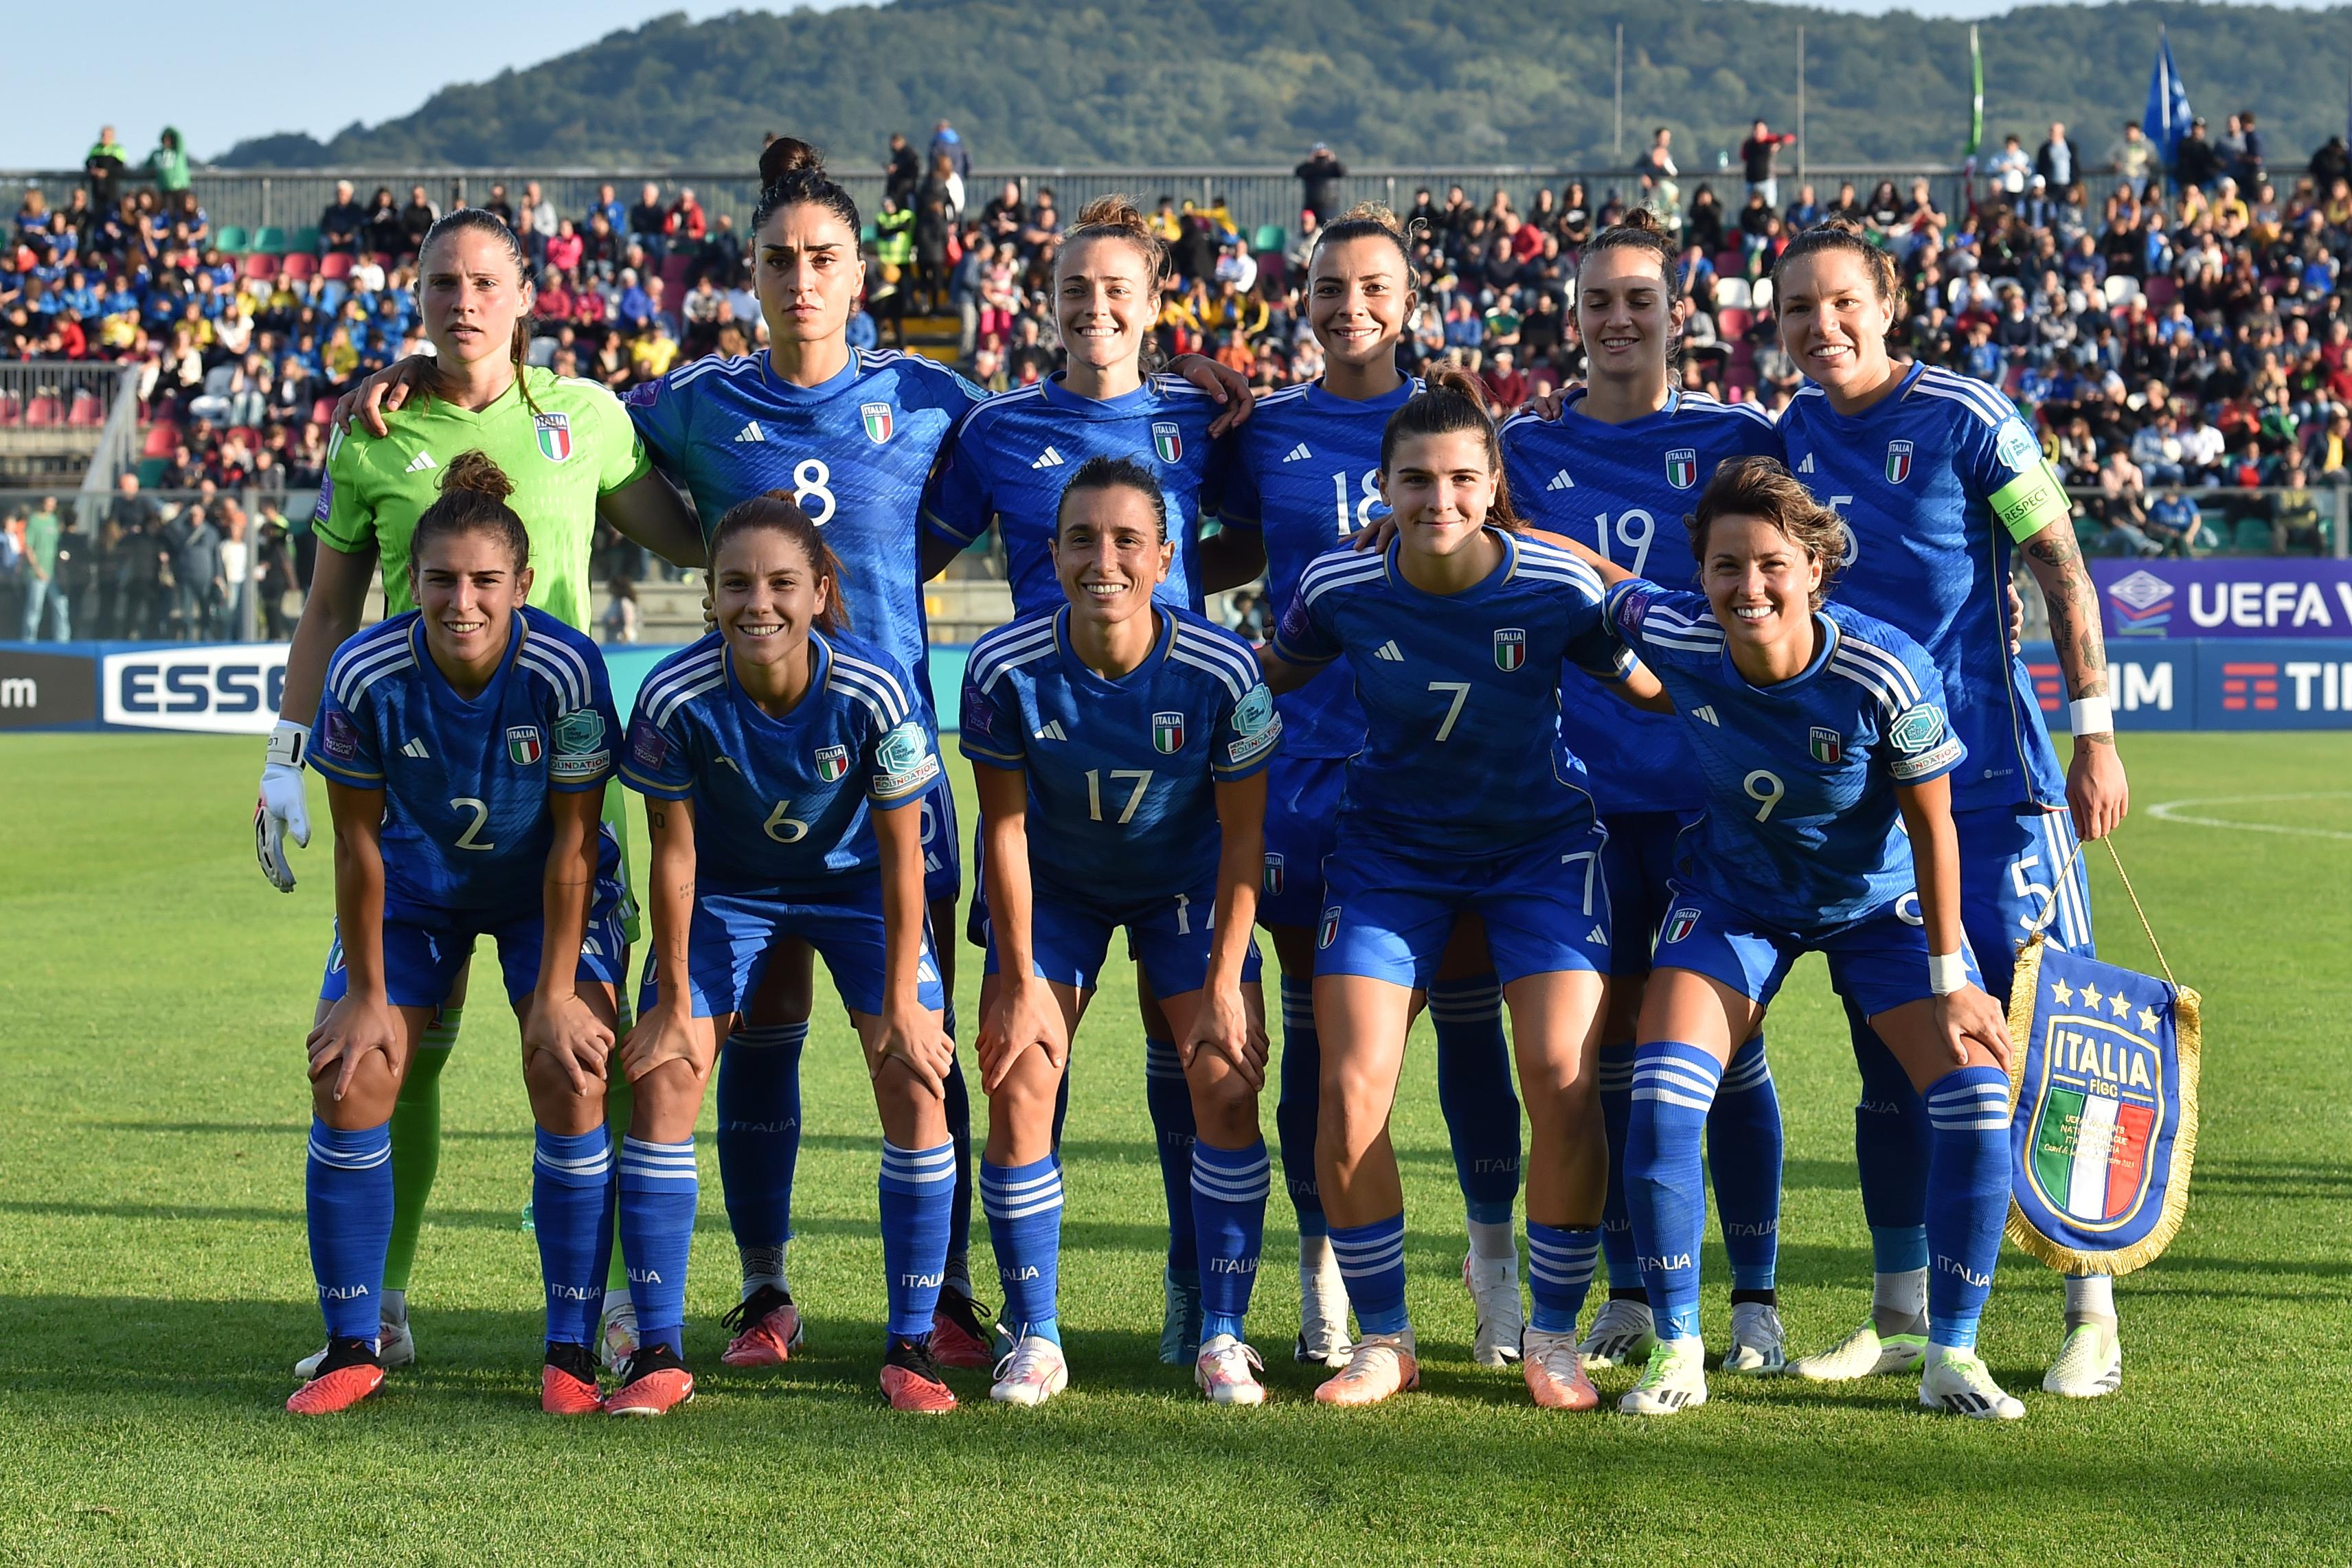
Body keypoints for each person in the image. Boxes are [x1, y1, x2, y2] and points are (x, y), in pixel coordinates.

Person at [279, 207, 703, 1379]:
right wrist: (284, 750)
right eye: (440, 283)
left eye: (483, 282)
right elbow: (328, 610)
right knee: (393, 1042)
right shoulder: (374, 430)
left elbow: (690, 530)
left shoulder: (586, 417)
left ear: (527, 296)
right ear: (416, 299)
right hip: (412, 802)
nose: (461, 301)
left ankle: (613, 1294)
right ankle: (387, 1293)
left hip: (555, 796)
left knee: (582, 1044)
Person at [1259, 368, 1665, 1410]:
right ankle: (1385, 1339)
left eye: (1459, 480)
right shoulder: (1340, 587)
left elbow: (1655, 683)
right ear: (1383, 488)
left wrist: (1609, 571)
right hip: (1390, 852)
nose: (1438, 500)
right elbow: (1266, 674)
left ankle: (1555, 1335)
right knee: (1350, 1092)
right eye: (1415, 481)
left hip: (1539, 850)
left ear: (1493, 487)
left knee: (1562, 1078)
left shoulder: (1554, 584)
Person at [1771, 223, 2130, 1398]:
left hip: (1995, 789)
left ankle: (2088, 1308)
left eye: (1837, 303)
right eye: (1793, 309)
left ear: (1885, 301)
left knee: (2046, 1045)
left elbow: (2064, 571)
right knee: (1896, 1058)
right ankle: (1897, 1309)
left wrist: (2092, 735)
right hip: (1869, 808)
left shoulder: (1969, 417)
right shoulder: (1788, 437)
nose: (1818, 326)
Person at [1596, 456, 2024, 1420]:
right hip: (1736, 900)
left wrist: (1956, 977)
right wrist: (1487, 517)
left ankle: (1952, 1352)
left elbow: (1933, 825)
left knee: (1978, 1100)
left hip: (1878, 910)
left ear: (1814, 568)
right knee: (1662, 1095)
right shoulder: (1675, 630)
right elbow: (1601, 584)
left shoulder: (1885, 667)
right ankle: (1678, 1350)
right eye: (1726, 565)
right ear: (1699, 574)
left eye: (1771, 564)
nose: (1749, 586)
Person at [921, 194, 1265, 1366]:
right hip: (1050, 766)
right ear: (1048, 301)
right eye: (1075, 288)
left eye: (1116, 287)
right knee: (1022, 1054)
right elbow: (905, 547)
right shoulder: (995, 428)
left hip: (1176, 780)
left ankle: (1205, 1309)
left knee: (1206, 1062)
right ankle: (1035, 1328)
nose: (1093, 306)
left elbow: (1262, 533)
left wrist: (1156, 588)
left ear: (1152, 302)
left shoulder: (1204, 415)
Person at [1203, 205, 1528, 1371]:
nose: (1349, 308)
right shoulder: (1264, 428)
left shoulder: (1455, 428)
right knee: (1318, 1040)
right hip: (1302, 764)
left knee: (1466, 1026)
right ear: (1303, 302)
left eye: (1371, 288)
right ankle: (1323, 1269)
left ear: (1406, 299)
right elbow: (1232, 550)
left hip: (1442, 767)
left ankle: (1493, 1272)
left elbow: (1519, 556)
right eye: (1328, 289)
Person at [1499, 207, 1789, 1373]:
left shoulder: (1737, 437)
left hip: (1713, 799)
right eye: (1596, 301)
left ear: (1678, 314)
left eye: (1638, 299)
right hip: (1577, 802)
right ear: (1571, 318)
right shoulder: (1521, 449)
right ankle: (1628, 1286)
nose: (1617, 318)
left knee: (1731, 1050)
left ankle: (1756, 1300)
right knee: (1611, 1048)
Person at [286, 453, 629, 1416]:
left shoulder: (564, 667)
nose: (461, 600)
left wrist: (558, 994)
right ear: (414, 579)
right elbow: (357, 844)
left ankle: (571, 1346)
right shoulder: (364, 669)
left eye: (485, 581)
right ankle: (357, 1337)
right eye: (441, 579)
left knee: (573, 1065)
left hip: (543, 891)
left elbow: (573, 842)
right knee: (350, 1069)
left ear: (522, 584)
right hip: (414, 888)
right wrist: (362, 993)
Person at [615, 493, 955, 1415]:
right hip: (731, 888)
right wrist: (674, 995)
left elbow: (901, 858)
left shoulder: (872, 688)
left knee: (915, 1074)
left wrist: (905, 1008)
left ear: (819, 593)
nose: (756, 603)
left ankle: (911, 1345)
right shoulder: (674, 694)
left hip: (856, 888)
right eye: (735, 584)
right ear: (709, 597)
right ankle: (663, 1345)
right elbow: (674, 857)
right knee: (665, 1072)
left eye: (779, 583)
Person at [962, 457, 1278, 1407]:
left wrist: (1225, 980)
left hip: (1181, 883)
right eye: (1082, 538)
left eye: (1127, 539)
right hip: (1055, 888)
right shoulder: (1003, 666)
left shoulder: (1224, 669)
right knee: (1019, 1077)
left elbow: (1244, 836)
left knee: (1224, 1077)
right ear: (1050, 553)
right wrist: (1016, 974)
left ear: (1166, 555)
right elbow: (1005, 830)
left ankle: (1221, 1328)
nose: (1105, 558)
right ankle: (1037, 1334)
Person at [21, 495, 66, 640]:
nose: (51, 507)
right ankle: (29, 640)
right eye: (49, 503)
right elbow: (28, 547)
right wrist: (37, 569)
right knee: (35, 608)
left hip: (53, 573)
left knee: (60, 606)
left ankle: (63, 639)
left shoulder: (53, 521)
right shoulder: (34, 521)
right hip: (38, 574)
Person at [1741, 120, 1798, 210]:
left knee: (1769, 208)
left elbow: (1790, 138)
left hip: (1767, 181)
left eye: (1760, 129)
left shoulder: (1770, 140)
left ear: (1766, 130)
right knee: (1750, 209)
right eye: (1756, 130)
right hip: (1751, 180)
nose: (1758, 132)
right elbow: (1743, 157)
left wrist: (1779, 144)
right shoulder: (1748, 143)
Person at [1295, 144, 1348, 226]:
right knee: (1308, 229)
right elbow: (1298, 172)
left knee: (1330, 228)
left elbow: (1343, 172)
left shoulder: (1332, 167)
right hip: (1311, 204)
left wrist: (1332, 160)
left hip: (1329, 205)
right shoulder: (1310, 168)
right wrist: (1310, 161)